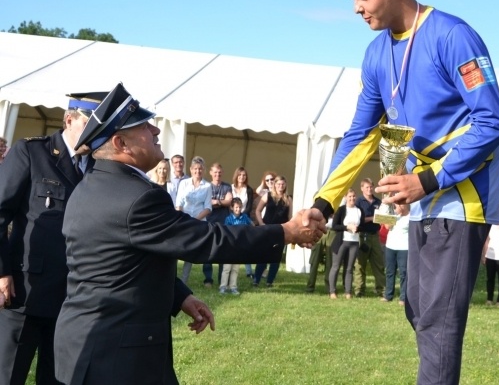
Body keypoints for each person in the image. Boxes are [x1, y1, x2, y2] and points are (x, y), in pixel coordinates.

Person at [309, 0, 499, 384]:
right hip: (421, 195)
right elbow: (362, 135)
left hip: (463, 195)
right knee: (417, 310)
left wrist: (428, 180)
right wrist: (323, 204)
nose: (356, 8)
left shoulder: (452, 36)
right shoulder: (376, 53)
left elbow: (492, 121)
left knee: (438, 323)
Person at [53, 83, 324, 384]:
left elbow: (122, 267)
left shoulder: (89, 186)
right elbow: (208, 240)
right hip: (118, 357)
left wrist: (180, 297)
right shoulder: (138, 197)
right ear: (120, 143)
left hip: (84, 343)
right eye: (144, 126)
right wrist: (286, 232)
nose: (156, 131)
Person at [0, 91, 105, 385]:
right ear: (69, 119)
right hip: (25, 292)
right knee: (8, 376)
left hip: (73, 300)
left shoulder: (99, 168)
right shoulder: (32, 152)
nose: (96, 133)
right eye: (89, 124)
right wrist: (2, 272)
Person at [175, 157, 212, 285]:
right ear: (191, 169)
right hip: (183, 221)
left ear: (204, 170)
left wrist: (195, 220)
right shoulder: (184, 183)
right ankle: (172, 277)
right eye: (195, 168)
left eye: (200, 169)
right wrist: (182, 219)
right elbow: (179, 203)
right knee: (176, 249)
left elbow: (208, 207)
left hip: (198, 222)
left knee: (190, 252)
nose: (198, 171)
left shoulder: (207, 186)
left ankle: (184, 281)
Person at [252, 175, 291, 287]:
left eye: (283, 184)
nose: (281, 186)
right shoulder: (267, 196)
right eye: (278, 184)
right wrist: (261, 223)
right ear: (275, 185)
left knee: (275, 257)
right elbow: (258, 211)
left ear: (285, 185)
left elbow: (290, 217)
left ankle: (270, 281)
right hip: (267, 229)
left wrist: (288, 229)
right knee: (263, 256)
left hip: (280, 230)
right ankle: (256, 280)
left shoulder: (288, 199)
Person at [203, 162, 233, 287]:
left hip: (224, 222)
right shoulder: (206, 186)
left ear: (222, 173)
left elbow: (229, 201)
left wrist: (217, 202)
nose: (217, 174)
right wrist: (221, 201)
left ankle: (222, 279)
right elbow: (206, 202)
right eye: (215, 172)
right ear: (211, 173)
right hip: (209, 221)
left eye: (219, 172)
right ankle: (208, 279)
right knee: (208, 250)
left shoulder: (227, 186)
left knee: (222, 250)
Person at [355, 177, 386, 297]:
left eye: (371, 187)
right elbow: (357, 219)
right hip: (362, 236)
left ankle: (381, 290)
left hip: (375, 236)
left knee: (379, 264)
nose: (369, 189)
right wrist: (373, 218)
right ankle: (359, 290)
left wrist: (386, 218)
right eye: (367, 187)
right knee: (360, 265)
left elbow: (384, 217)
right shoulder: (358, 202)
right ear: (362, 188)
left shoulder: (378, 202)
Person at [328, 189, 362, 299]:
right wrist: (347, 227)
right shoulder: (341, 209)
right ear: (345, 198)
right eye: (350, 196)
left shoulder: (359, 210)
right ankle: (332, 291)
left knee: (349, 268)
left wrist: (357, 228)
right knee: (336, 266)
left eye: (354, 196)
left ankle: (348, 292)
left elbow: (362, 226)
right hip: (341, 242)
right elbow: (334, 226)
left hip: (354, 242)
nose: (352, 198)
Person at [219, 198, 254, 295]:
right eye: (236, 207)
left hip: (240, 246)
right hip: (230, 246)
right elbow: (226, 232)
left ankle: (233, 287)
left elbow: (252, 225)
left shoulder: (245, 217)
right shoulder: (228, 219)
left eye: (240, 207)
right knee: (227, 268)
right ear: (231, 208)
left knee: (235, 269)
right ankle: (223, 287)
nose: (238, 209)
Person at [382, 202, 410, 305]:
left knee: (403, 273)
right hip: (390, 246)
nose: (399, 206)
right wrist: (395, 215)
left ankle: (403, 297)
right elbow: (387, 226)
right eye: (397, 204)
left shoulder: (411, 217)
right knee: (390, 271)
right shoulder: (393, 215)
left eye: (401, 204)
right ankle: (388, 295)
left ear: (406, 204)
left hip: (404, 248)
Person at [231, 167, 256, 278]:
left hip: (245, 219)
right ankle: (230, 268)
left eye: (244, 175)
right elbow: (229, 204)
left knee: (246, 245)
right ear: (236, 176)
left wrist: (241, 216)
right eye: (240, 175)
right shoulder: (230, 188)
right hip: (232, 219)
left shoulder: (249, 190)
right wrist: (234, 216)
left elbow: (249, 206)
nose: (242, 177)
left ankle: (249, 271)